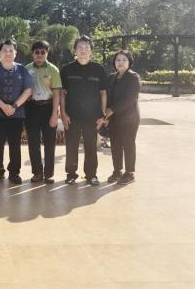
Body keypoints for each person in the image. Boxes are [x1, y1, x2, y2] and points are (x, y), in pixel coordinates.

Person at [60, 35, 108, 186]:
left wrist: (103, 115)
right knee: (71, 146)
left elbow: (103, 93)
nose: (83, 50)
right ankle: (71, 174)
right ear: (75, 50)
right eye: (80, 47)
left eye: (87, 47)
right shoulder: (67, 69)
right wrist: (63, 114)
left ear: (91, 50)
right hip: (72, 115)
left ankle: (91, 175)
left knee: (91, 147)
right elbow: (62, 93)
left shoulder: (99, 69)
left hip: (92, 116)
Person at [0, 39, 34, 185]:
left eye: (11, 50)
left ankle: (14, 173)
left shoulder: (22, 70)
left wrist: (14, 106)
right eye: (5, 50)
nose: (8, 53)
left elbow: (28, 90)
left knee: (15, 144)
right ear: (0, 53)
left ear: (15, 53)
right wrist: (3, 106)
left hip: (17, 114)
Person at [25, 40, 62, 184]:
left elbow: (57, 93)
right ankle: (37, 173)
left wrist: (55, 114)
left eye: (43, 52)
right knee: (33, 142)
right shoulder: (26, 69)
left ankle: (49, 174)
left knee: (49, 143)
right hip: (31, 108)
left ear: (47, 53)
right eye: (37, 52)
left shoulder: (53, 70)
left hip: (48, 108)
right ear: (33, 54)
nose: (39, 55)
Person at [105, 50, 141, 185]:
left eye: (124, 60)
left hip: (129, 118)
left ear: (129, 62)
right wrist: (105, 114)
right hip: (113, 118)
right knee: (115, 145)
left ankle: (130, 172)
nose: (120, 62)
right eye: (118, 60)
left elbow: (131, 98)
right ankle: (117, 170)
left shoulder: (133, 77)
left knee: (128, 144)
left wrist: (111, 110)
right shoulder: (111, 77)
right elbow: (107, 96)